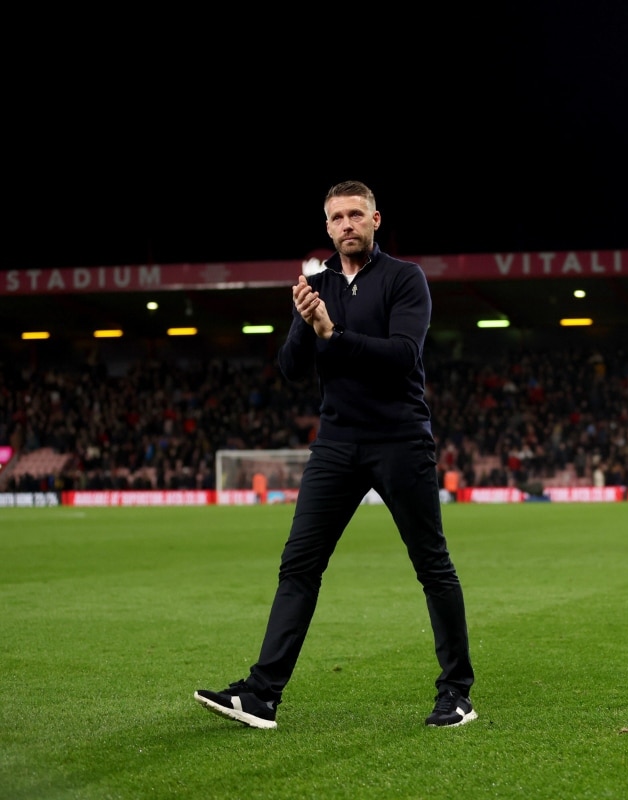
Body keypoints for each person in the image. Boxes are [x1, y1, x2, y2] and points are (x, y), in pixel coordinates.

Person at [194, 181, 476, 730]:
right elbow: (291, 368)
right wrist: (304, 318)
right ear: (326, 227)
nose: (346, 224)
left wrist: (332, 330)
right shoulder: (316, 284)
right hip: (336, 444)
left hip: (400, 439)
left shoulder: (404, 278)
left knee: (432, 566)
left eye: (355, 214)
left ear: (375, 220)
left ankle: (456, 694)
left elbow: (401, 357)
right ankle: (262, 695)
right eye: (336, 217)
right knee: (298, 564)